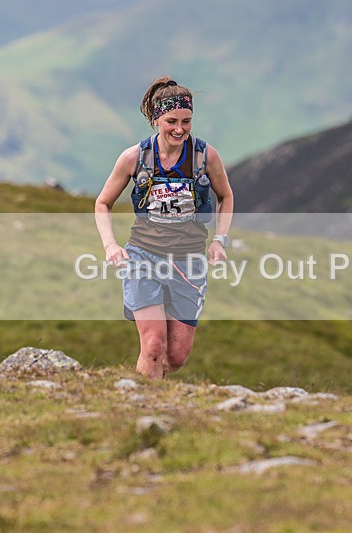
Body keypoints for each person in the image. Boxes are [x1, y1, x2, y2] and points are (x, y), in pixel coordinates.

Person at [95, 76, 233, 379]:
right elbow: (102, 203)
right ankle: (142, 408)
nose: (179, 129)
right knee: (153, 345)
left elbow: (226, 196)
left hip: (189, 261)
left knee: (176, 357)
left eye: (186, 121)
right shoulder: (134, 158)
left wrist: (219, 240)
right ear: (156, 118)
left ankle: (156, 383)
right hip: (143, 257)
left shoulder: (205, 156)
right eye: (171, 120)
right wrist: (110, 246)